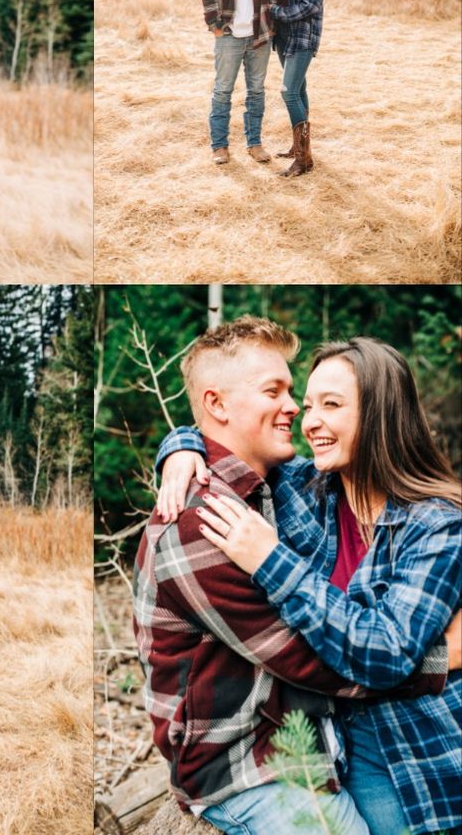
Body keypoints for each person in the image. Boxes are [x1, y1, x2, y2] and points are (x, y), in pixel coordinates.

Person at [133, 317, 447, 835]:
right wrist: (442, 658)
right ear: (217, 404)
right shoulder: (204, 522)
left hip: (326, 734)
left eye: (303, 394)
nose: (297, 408)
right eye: (275, 391)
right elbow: (308, 658)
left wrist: (181, 443)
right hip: (244, 764)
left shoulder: (280, 488)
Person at [202, 0, 275, 166]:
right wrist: (215, 26)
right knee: (223, 91)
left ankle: (254, 143)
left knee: (256, 91)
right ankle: (219, 146)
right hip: (229, 33)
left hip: (260, 34)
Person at [264, 0, 325, 178]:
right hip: (284, 37)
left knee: (288, 92)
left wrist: (276, 11)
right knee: (299, 89)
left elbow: (310, 6)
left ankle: (304, 160)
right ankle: (299, 147)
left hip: (302, 37)